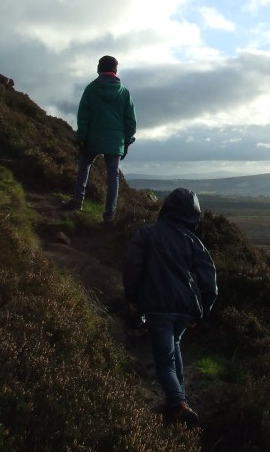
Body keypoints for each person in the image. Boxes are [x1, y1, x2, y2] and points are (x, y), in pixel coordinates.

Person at [122, 188, 218, 426]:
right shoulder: (193, 241)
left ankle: (177, 405)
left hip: (157, 306)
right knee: (174, 348)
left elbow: (133, 266)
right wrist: (203, 309)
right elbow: (210, 280)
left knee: (165, 360)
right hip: (185, 309)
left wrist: (132, 296)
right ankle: (179, 399)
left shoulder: (147, 233)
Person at [63, 55, 136, 223]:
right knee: (113, 176)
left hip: (92, 138)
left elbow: (83, 115)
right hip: (115, 140)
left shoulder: (91, 89)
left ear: (99, 68)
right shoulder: (124, 92)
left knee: (84, 165)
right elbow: (131, 120)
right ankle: (109, 214)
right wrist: (127, 141)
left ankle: (77, 201)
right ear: (115, 70)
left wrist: (81, 137)